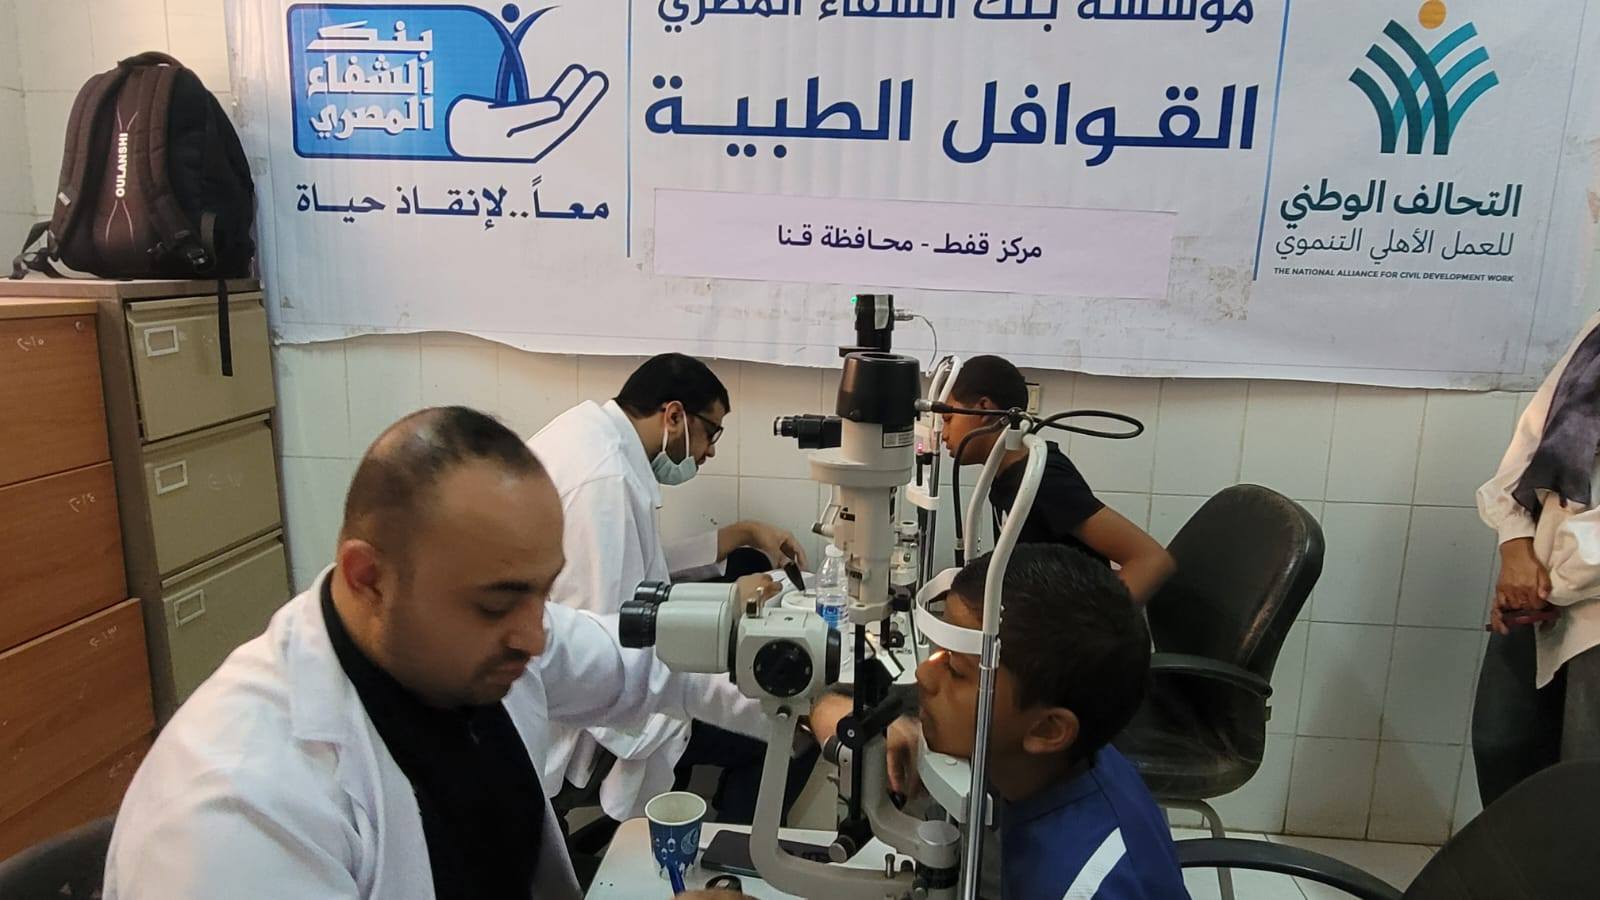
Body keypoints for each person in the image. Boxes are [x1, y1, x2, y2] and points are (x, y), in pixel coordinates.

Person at [104, 407, 772, 900]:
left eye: (542, 592)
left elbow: (646, 663)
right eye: (497, 603)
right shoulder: (240, 813)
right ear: (369, 578)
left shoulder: (466, 647)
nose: (536, 636)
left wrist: (801, 693)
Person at [528, 352, 813, 823]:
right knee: (791, 736)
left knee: (745, 562)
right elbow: (615, 640)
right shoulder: (605, 482)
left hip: (593, 661)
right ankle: (730, 854)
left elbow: (639, 564)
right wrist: (728, 603)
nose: (711, 451)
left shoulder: (592, 434)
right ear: (675, 415)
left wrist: (742, 534)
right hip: (592, 720)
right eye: (712, 432)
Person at [812, 545, 1184, 899]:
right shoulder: (1035, 752)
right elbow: (827, 704)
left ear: (1048, 730)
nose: (925, 674)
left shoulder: (1084, 884)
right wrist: (898, 731)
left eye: (955, 669)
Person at [1475, 310, 1600, 803]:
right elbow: (1531, 442)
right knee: (1502, 746)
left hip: (1575, 596)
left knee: (1579, 782)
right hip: (1536, 582)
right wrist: (1515, 546)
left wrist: (1549, 581)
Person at [939, 355, 1175, 604]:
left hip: (1063, 624)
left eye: (948, 419)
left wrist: (1088, 624)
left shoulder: (1044, 479)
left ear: (984, 409)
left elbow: (1151, 560)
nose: (943, 434)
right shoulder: (1003, 474)